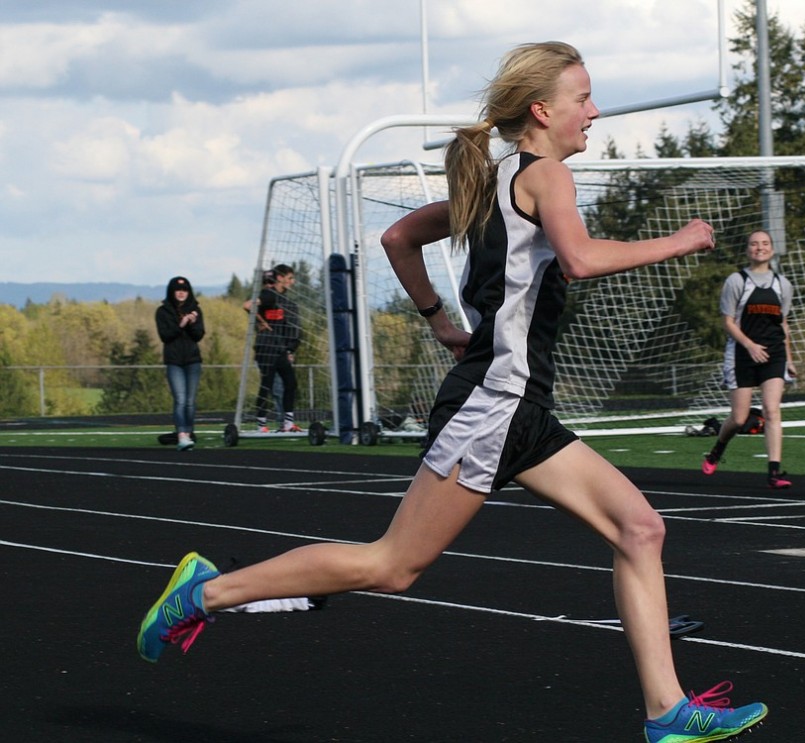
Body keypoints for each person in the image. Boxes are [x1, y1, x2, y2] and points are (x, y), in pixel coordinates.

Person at [136, 42, 767, 742]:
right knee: (393, 565)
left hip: (518, 405)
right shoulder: (547, 176)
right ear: (542, 110)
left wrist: (441, 320)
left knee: (641, 527)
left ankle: (666, 710)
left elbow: (399, 236)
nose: (594, 111)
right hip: (494, 404)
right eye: (582, 98)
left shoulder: (492, 178)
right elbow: (581, 260)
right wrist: (678, 241)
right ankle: (203, 593)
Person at [701, 230, 796, 489]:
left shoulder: (783, 284)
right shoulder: (736, 281)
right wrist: (750, 345)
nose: (759, 248)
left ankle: (774, 473)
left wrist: (788, 359)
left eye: (765, 243)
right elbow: (728, 322)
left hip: (774, 354)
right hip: (743, 355)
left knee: (771, 410)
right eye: (754, 244)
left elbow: (782, 323)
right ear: (748, 250)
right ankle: (717, 450)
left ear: (772, 250)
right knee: (740, 418)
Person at [155, 276, 205, 451]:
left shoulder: (196, 310)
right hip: (174, 361)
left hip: (193, 361)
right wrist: (181, 324)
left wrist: (191, 324)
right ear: (172, 292)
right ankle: (181, 435)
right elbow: (165, 336)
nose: (181, 293)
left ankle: (189, 433)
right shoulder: (163, 312)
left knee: (190, 402)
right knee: (181, 400)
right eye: (178, 290)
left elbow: (199, 335)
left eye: (184, 290)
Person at [252, 264, 302, 433]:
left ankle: (288, 423)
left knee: (291, 383)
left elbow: (291, 328)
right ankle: (261, 424)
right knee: (267, 385)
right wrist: (261, 321)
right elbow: (248, 305)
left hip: (279, 349)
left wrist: (289, 349)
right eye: (290, 278)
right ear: (279, 278)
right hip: (265, 348)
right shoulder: (269, 294)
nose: (292, 282)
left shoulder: (285, 301)